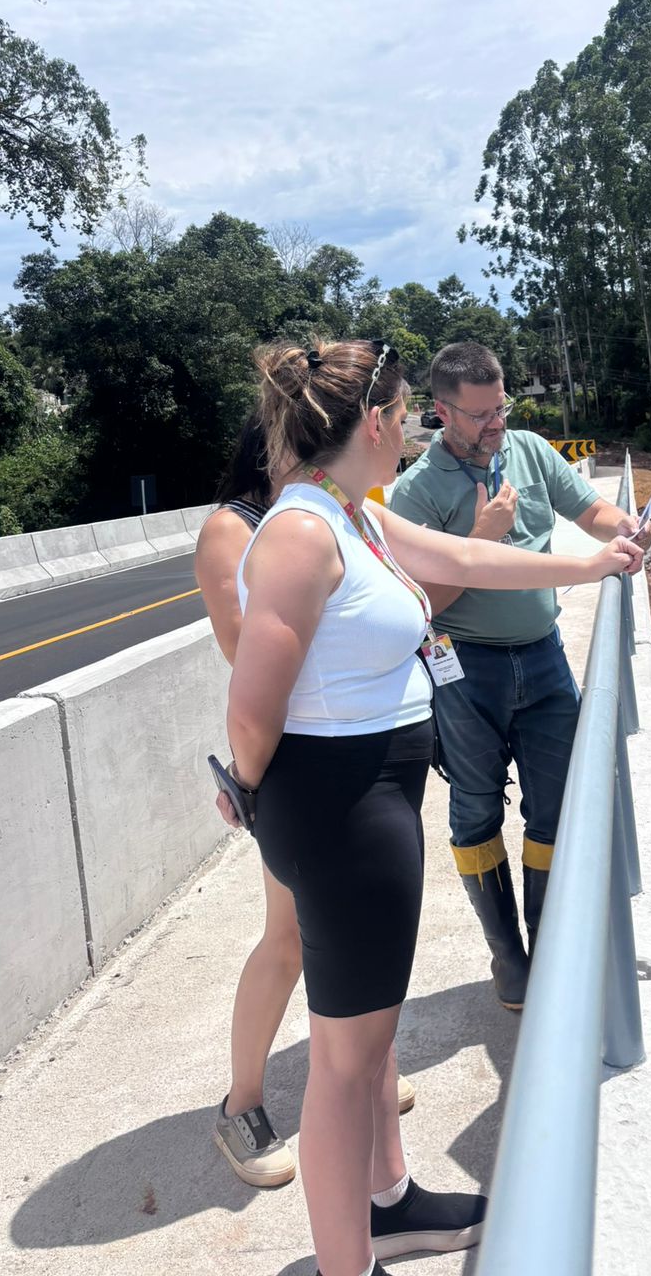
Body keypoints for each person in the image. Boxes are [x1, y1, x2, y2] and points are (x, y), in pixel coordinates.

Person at [225, 337, 641, 1276]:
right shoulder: (301, 533)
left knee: (371, 1044)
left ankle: (390, 1201)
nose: (413, 433)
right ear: (375, 423)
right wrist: (249, 791)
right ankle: (349, 1262)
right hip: (339, 810)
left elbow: (466, 558)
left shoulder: (352, 515)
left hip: (372, 800)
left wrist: (595, 565)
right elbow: (251, 708)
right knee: (342, 1068)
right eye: (407, 415)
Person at [389, 342, 649, 1010]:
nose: (495, 423)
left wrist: (624, 528)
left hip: (543, 656)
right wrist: (477, 540)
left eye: (500, 408)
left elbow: (588, 510)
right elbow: (418, 606)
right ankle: (508, 956)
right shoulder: (416, 493)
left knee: (557, 805)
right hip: (465, 672)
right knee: (475, 810)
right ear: (441, 411)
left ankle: (549, 948)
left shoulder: (530, 450)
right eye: (479, 415)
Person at [194, 417, 417, 1191]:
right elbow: (248, 654)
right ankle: (242, 1103)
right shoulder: (238, 529)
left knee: (352, 939)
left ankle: (371, 1075)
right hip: (295, 765)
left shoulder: (339, 511)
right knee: (289, 937)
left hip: (346, 758)